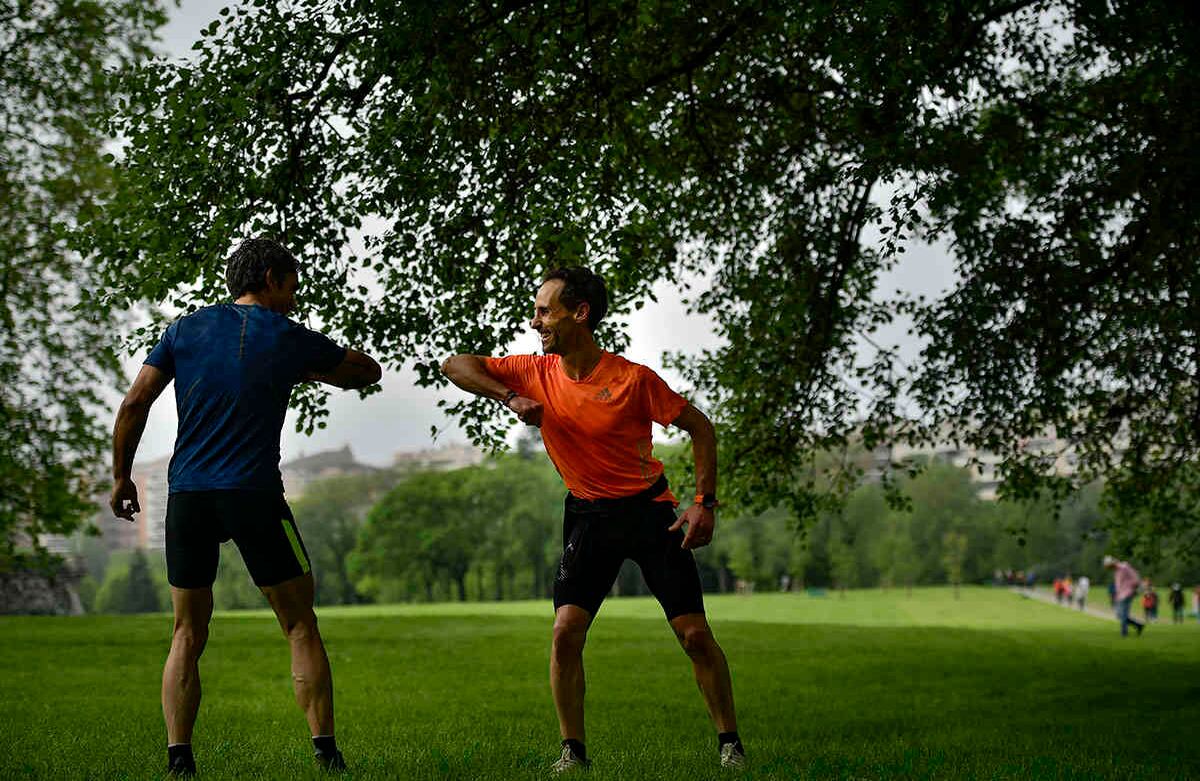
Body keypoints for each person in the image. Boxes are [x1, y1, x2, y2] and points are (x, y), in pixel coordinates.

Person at [442, 267, 744, 773]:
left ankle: (730, 743)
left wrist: (704, 503)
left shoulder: (633, 380)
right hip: (588, 516)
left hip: (650, 514)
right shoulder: (535, 372)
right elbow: (456, 364)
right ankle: (573, 753)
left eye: (545, 311)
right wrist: (509, 396)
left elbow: (701, 428)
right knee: (565, 632)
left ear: (579, 313)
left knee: (694, 635)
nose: (536, 321)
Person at [110, 238, 382, 776]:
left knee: (187, 630)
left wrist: (121, 476)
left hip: (187, 496)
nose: (296, 295)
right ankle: (326, 754)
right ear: (274, 277)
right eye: (293, 283)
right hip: (253, 494)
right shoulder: (285, 334)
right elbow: (365, 371)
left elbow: (135, 401)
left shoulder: (183, 329)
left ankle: (179, 759)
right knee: (300, 623)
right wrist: (306, 367)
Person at [1103, 555, 1145, 637]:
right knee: (1119, 614)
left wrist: (1132, 587)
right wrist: (1116, 595)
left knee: (1124, 613)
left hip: (1128, 593)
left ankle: (1124, 633)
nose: (1109, 568)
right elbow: (1119, 585)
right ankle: (1138, 625)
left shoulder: (1124, 567)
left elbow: (1136, 578)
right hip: (1121, 594)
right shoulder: (1116, 571)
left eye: (1109, 566)